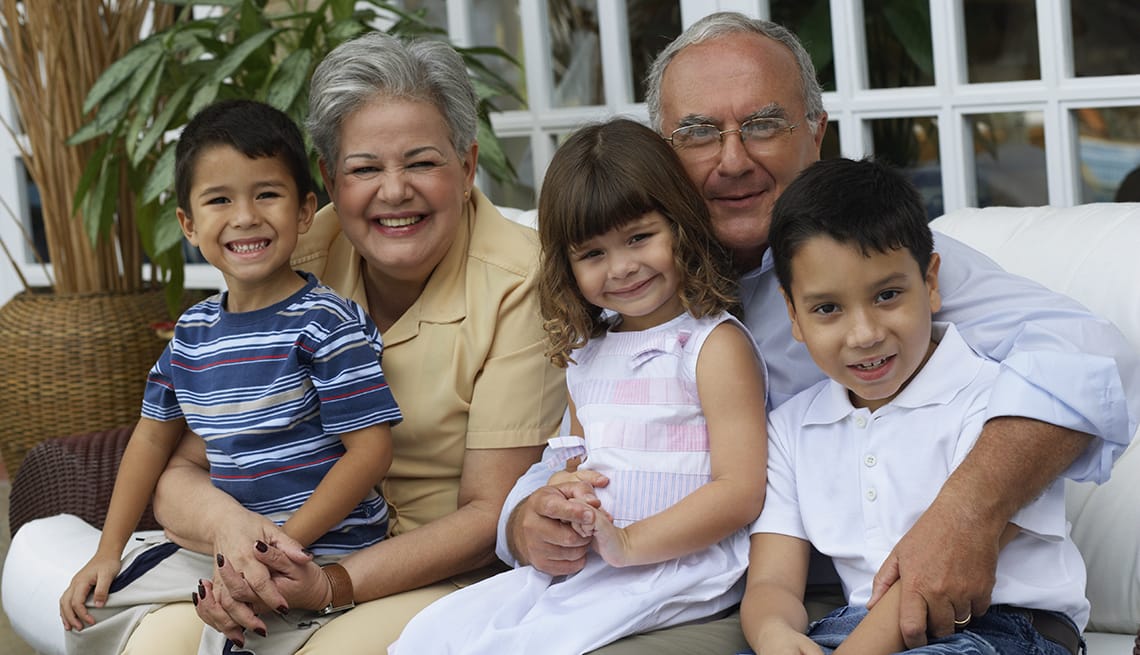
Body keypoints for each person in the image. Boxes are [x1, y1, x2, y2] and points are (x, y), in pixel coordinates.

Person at [500, 11, 1137, 654]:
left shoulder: (881, 261)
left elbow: (1092, 355)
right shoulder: (628, 290)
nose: (732, 160)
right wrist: (528, 520)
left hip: (861, 600)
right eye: (698, 134)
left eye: (763, 124)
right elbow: (587, 445)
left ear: (816, 132)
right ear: (663, 156)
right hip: (692, 586)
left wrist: (966, 513)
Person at [5, 31, 565, 654]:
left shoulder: (525, 280)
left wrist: (323, 581)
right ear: (328, 179)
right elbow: (187, 464)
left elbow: (490, 513)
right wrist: (238, 536)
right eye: (364, 168)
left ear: (466, 166)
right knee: (155, 642)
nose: (394, 190)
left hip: (437, 570)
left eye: (422, 162)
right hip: (279, 552)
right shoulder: (288, 253)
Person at [389, 118, 767, 654]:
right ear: (567, 265)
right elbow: (577, 462)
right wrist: (560, 498)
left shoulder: (710, 345)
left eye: (639, 237)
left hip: (679, 564)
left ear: (680, 225)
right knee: (436, 633)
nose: (622, 268)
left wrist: (630, 542)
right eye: (593, 253)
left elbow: (741, 489)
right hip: (596, 559)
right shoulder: (588, 354)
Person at [57, 98, 402, 654]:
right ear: (189, 225)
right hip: (222, 549)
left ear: (305, 211)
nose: (244, 217)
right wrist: (107, 550)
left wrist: (278, 551)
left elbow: (371, 453)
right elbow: (150, 440)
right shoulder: (191, 333)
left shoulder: (327, 323)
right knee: (90, 605)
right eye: (220, 199)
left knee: (236, 636)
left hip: (320, 548)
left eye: (266, 194)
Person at [740, 156, 1087, 655]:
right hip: (854, 628)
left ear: (930, 282)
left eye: (887, 295)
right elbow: (772, 581)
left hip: (1002, 629)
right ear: (793, 313)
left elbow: (935, 577)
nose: (864, 334)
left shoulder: (999, 403)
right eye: (827, 308)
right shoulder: (792, 429)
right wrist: (774, 633)